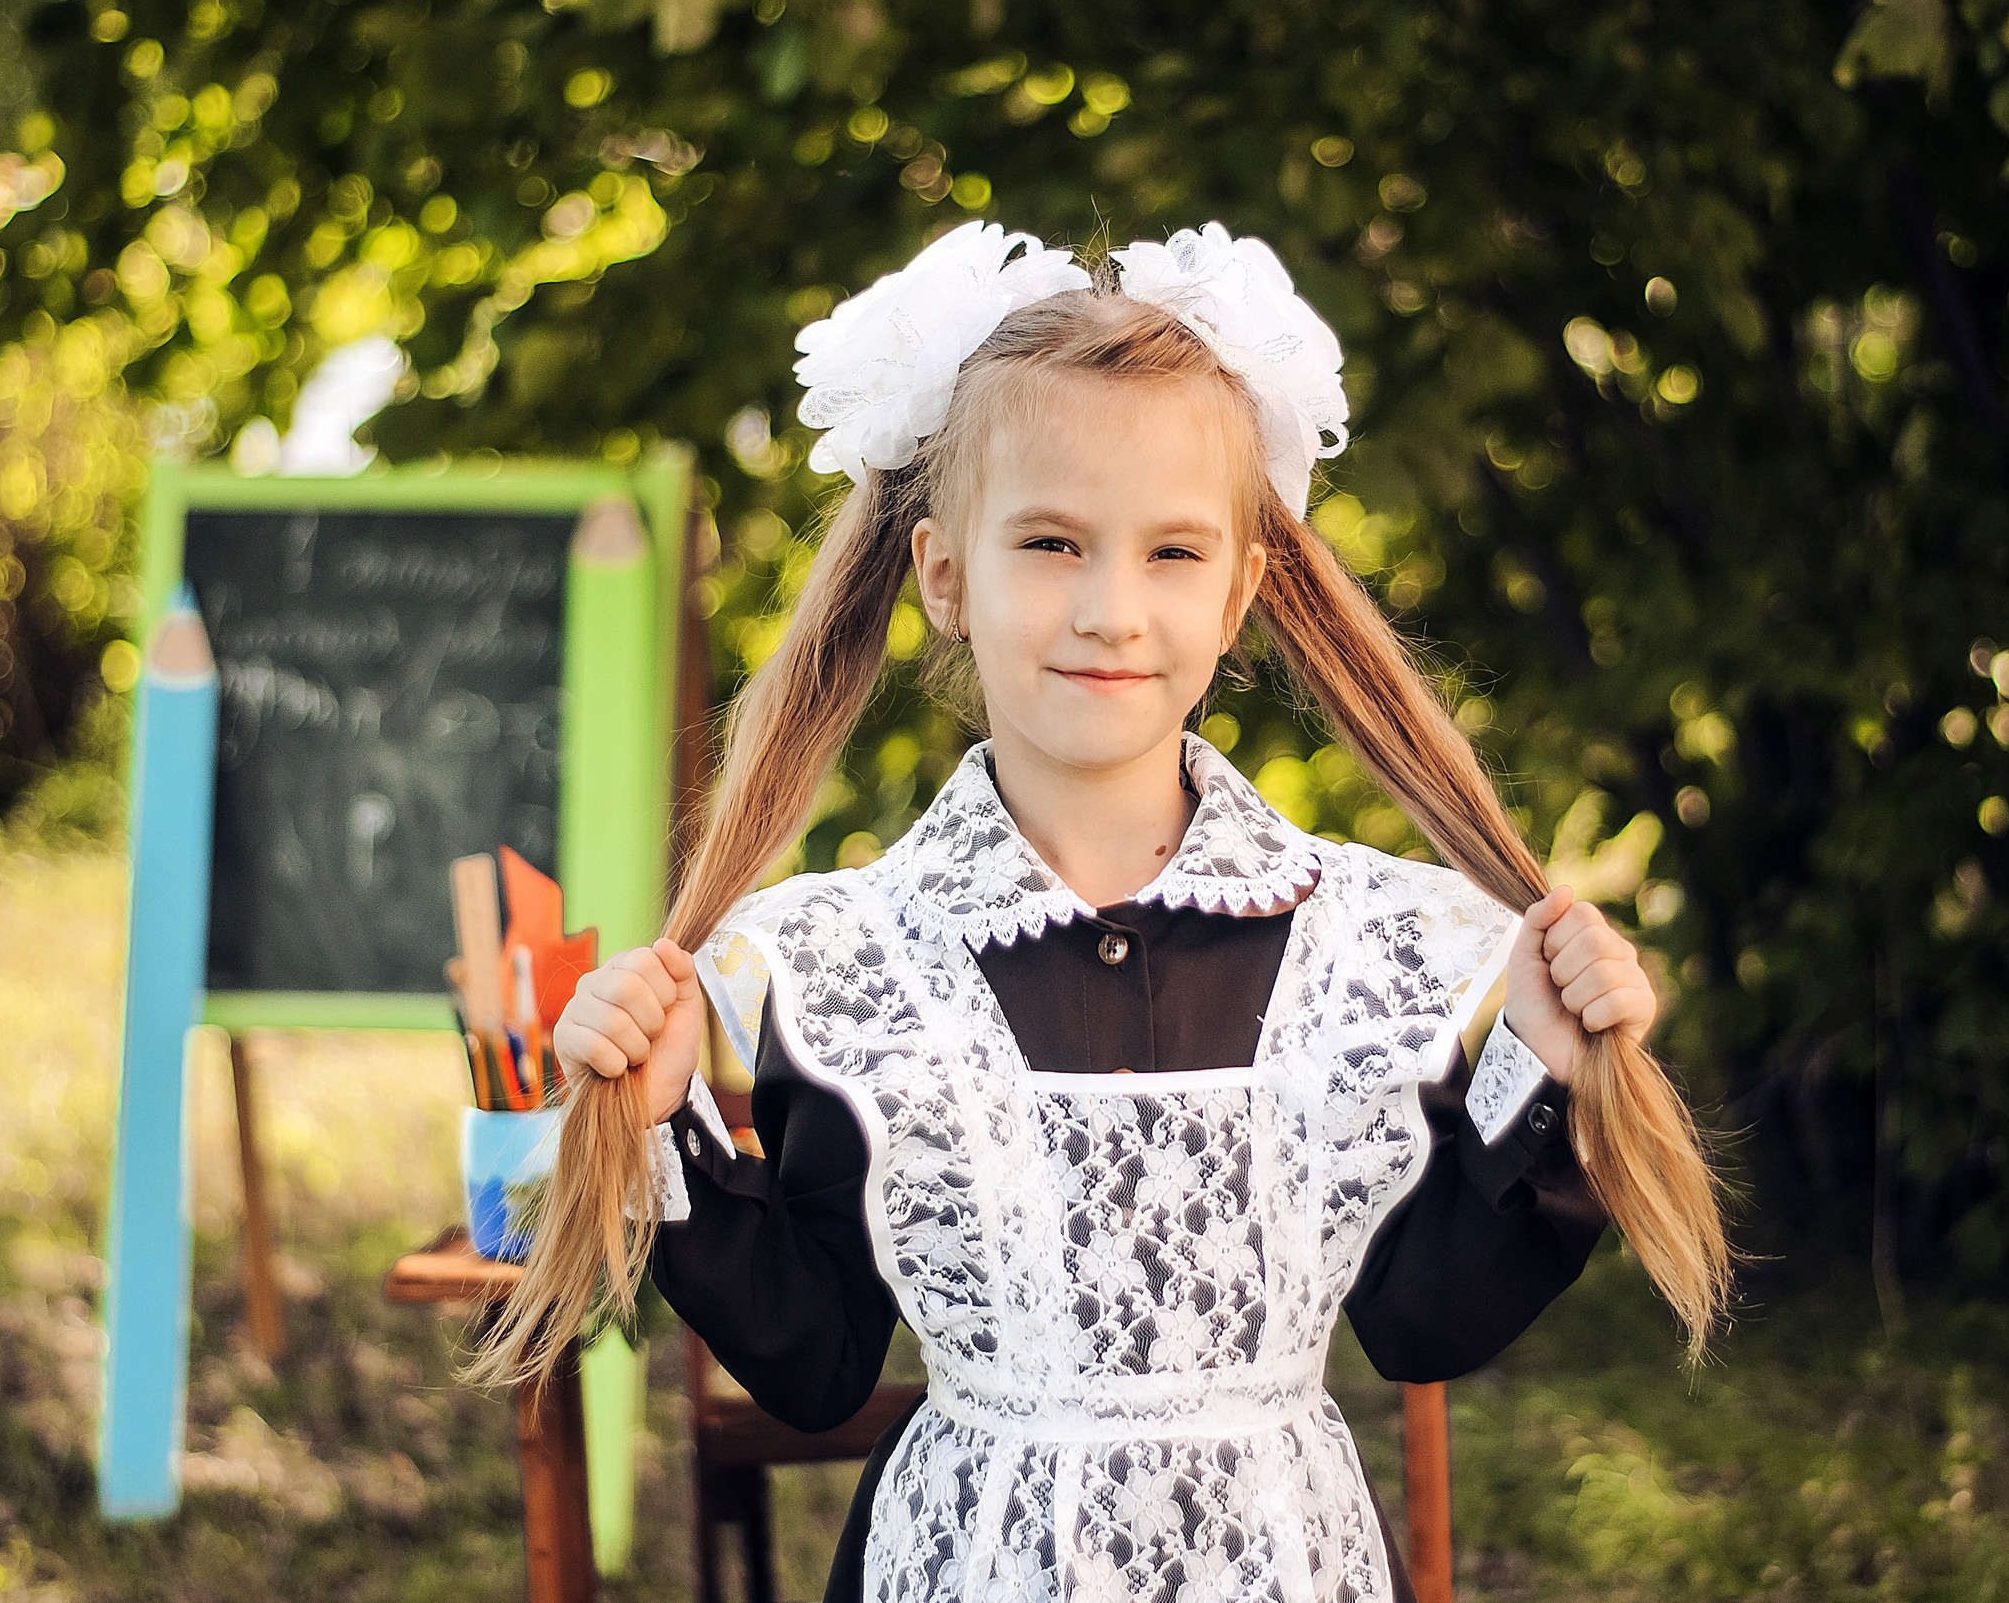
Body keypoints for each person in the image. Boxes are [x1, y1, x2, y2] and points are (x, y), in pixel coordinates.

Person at [472, 219, 1730, 1602]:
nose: (1112, 610)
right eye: (1055, 543)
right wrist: (667, 1123)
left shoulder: (1357, 943)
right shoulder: (856, 963)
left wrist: (1542, 1060)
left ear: (1246, 588)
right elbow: (821, 1359)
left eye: (1173, 554)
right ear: (946, 575)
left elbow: (1420, 1318)